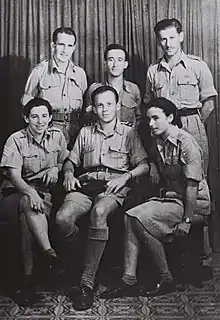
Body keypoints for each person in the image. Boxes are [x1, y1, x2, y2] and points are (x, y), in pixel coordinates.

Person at [101, 97, 211, 299]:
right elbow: (153, 156)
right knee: (129, 216)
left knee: (137, 218)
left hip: (192, 203)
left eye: (155, 118)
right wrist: (152, 165)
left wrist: (186, 220)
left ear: (170, 117)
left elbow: (193, 186)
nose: (150, 124)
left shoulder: (186, 142)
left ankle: (166, 278)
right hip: (171, 199)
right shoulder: (158, 139)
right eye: (148, 119)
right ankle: (129, 280)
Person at [55, 85, 149, 310]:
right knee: (62, 219)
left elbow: (144, 165)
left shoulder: (129, 132)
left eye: (109, 104)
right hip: (86, 185)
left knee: (99, 213)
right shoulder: (86, 132)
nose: (105, 109)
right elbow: (71, 160)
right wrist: (68, 172)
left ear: (117, 106)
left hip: (113, 186)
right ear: (94, 108)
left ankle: (87, 282)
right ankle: (87, 259)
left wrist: (125, 177)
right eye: (100, 105)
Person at [0, 97, 69, 305]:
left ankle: (28, 281)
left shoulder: (57, 136)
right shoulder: (16, 139)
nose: (40, 121)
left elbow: (66, 160)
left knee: (26, 221)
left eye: (44, 116)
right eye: (34, 116)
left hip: (42, 196)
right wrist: (30, 192)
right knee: (28, 205)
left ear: (50, 118)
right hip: (14, 193)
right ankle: (50, 255)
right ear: (26, 118)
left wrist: (57, 168)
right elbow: (14, 176)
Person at [143, 18, 217, 175]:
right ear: (158, 41)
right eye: (163, 39)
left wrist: (194, 122)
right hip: (164, 129)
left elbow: (209, 102)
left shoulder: (197, 65)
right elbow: (148, 104)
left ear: (181, 37)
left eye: (172, 38)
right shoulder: (153, 71)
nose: (168, 44)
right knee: (169, 178)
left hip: (191, 126)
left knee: (196, 175)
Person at [21, 27, 87, 148]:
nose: (65, 50)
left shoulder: (80, 74)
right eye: (61, 44)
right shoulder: (39, 72)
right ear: (53, 45)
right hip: (48, 132)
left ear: (74, 48)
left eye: (69, 45)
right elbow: (27, 105)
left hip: (76, 133)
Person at [85, 44, 141, 126]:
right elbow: (88, 119)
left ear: (125, 64)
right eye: (111, 60)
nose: (115, 64)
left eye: (119, 60)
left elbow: (139, 118)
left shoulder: (133, 89)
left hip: (128, 137)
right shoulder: (94, 89)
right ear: (105, 63)